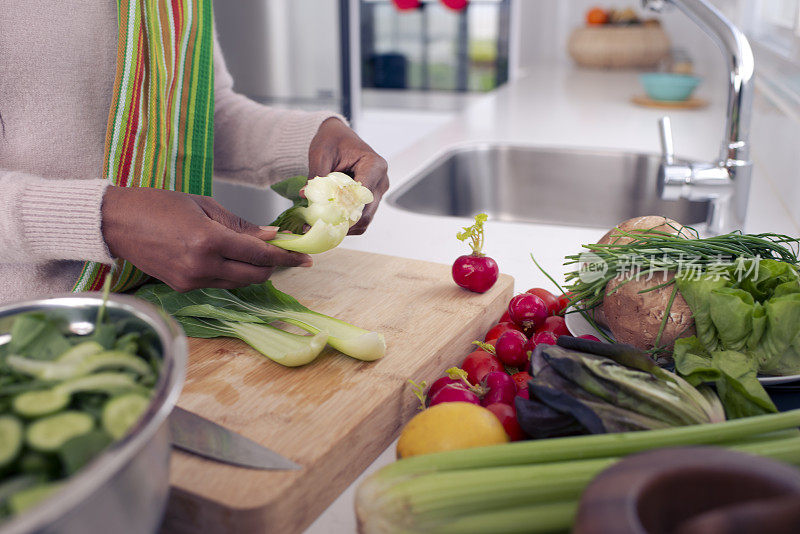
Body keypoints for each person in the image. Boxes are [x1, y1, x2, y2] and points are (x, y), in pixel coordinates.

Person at [0, 0, 389, 304]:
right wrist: (108, 218)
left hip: (148, 314)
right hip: (23, 329)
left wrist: (317, 135)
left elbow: (200, 112)